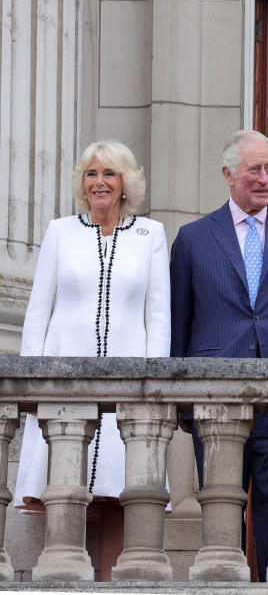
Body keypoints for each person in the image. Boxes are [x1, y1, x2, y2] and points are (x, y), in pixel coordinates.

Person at [169, 129, 268, 581]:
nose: (264, 179)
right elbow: (178, 325)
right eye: (254, 170)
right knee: (221, 518)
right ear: (228, 174)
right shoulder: (193, 238)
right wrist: (180, 401)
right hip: (217, 403)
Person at [16, 140, 170, 581]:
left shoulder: (151, 235)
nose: (99, 182)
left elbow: (158, 317)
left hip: (128, 388)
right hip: (64, 385)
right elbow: (38, 313)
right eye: (91, 174)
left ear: (125, 184)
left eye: (109, 174)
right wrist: (31, 383)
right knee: (62, 493)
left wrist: (155, 389)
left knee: (123, 495)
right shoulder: (60, 231)